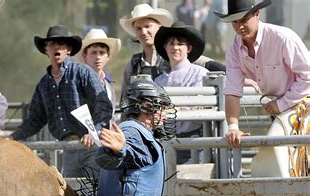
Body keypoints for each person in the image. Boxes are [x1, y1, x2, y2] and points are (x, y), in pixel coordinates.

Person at [10, 25, 112, 179]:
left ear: (69, 50)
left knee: (95, 192)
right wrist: (12, 137)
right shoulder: (44, 84)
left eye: (61, 44)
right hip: (68, 149)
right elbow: (34, 120)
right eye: (51, 44)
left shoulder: (82, 72)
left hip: (92, 147)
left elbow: (103, 105)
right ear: (46, 49)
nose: (56, 47)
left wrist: (94, 132)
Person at [216, 0, 310, 150]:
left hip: (305, 107)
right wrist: (233, 127)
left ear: (257, 14)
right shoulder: (234, 50)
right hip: (281, 112)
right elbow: (233, 90)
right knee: (284, 158)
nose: (239, 26)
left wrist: (281, 104)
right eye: (234, 22)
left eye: (244, 20)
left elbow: (308, 76)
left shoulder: (283, 38)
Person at [119, 3, 224, 102]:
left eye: (147, 26)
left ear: (159, 27)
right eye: (138, 28)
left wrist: (231, 72)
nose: (143, 32)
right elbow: (125, 99)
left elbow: (204, 62)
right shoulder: (133, 65)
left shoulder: (173, 54)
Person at [154, 21, 208, 165]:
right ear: (165, 47)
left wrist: (168, 111)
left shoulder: (199, 74)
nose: (175, 47)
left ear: (188, 48)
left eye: (180, 44)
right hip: (165, 141)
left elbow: (198, 109)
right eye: (171, 43)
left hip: (192, 142)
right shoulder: (159, 80)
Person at [79, 28, 121, 118]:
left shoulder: (109, 84)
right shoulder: (77, 82)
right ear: (84, 55)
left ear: (108, 56)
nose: (98, 57)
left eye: (102, 53)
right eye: (93, 53)